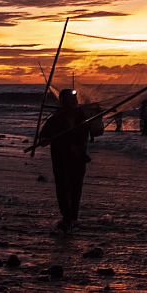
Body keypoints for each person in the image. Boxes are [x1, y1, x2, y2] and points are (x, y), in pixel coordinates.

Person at [39, 89, 100, 234]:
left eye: (74, 99)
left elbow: (95, 132)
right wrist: (45, 140)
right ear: (63, 102)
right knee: (63, 186)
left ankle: (74, 217)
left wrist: (96, 117)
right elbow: (43, 139)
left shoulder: (82, 117)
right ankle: (67, 217)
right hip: (61, 158)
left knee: (76, 187)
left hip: (79, 157)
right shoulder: (55, 120)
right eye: (70, 99)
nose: (74, 101)